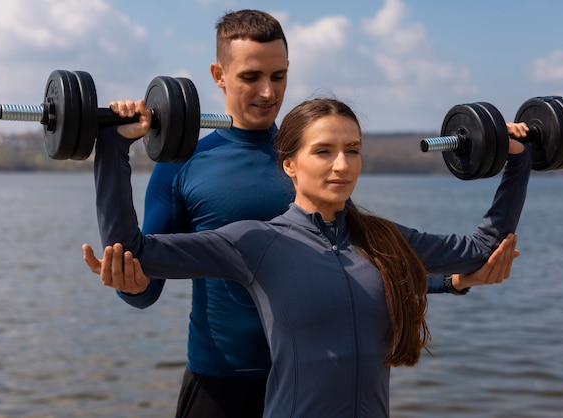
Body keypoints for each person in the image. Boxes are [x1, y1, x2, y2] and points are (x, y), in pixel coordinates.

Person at [101, 9, 528, 418]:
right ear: (219, 75)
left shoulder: (316, 160)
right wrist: (132, 283)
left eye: (279, 75)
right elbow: (143, 274)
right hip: (223, 380)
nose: (268, 92)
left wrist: (449, 281)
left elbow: (349, 260)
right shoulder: (182, 162)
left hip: (316, 376)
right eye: (251, 77)